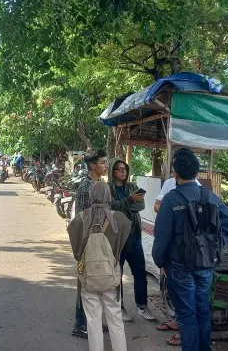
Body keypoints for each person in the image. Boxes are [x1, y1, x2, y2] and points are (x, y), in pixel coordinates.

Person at [152, 149, 228, 349]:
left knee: (187, 316)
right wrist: (216, 246)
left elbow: (161, 235)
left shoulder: (172, 199)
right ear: (197, 173)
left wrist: (160, 261)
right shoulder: (210, 197)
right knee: (202, 311)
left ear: (175, 174)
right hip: (205, 264)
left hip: (179, 265)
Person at [68, 181, 132, 351]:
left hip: (88, 277)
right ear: (109, 195)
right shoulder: (120, 219)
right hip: (111, 276)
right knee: (116, 320)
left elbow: (77, 253)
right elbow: (125, 247)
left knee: (93, 321)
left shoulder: (80, 219)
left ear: (90, 196)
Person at [106, 157, 155, 322]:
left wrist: (124, 204)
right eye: (119, 169)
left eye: (125, 169)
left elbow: (140, 206)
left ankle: (142, 306)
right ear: (112, 171)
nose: (123, 171)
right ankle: (119, 307)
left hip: (134, 236)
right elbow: (110, 206)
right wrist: (129, 201)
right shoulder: (108, 189)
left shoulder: (132, 186)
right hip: (117, 236)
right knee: (116, 273)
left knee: (140, 272)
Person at [71, 148, 108, 338]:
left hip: (98, 242)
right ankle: (80, 324)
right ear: (92, 166)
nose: (105, 165)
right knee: (85, 284)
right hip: (88, 243)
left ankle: (92, 321)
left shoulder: (97, 184)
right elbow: (86, 221)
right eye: (102, 162)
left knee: (96, 284)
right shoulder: (87, 188)